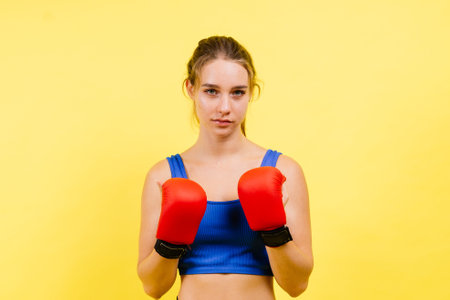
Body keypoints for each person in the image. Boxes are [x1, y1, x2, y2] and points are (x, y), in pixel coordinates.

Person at [137, 36, 313, 300]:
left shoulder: (283, 171)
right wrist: (170, 242)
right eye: (211, 91)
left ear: (251, 92)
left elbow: (297, 285)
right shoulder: (163, 176)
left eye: (237, 92)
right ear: (191, 89)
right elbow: (153, 287)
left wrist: (274, 231)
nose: (224, 107)